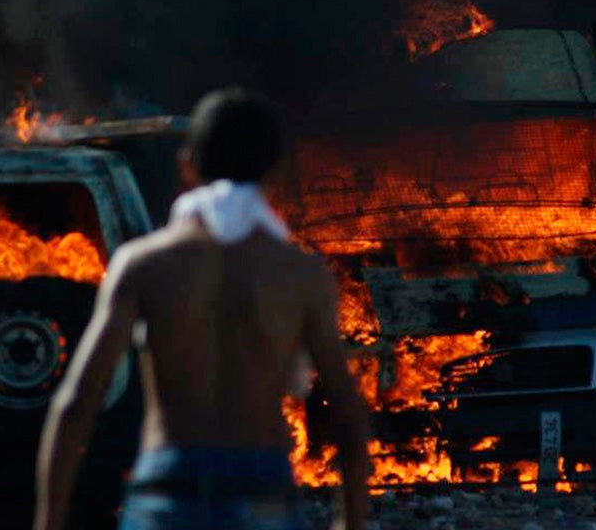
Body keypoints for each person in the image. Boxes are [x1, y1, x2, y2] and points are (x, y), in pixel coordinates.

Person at [35, 89, 369, 530]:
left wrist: (48, 520)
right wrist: (353, 522)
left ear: (187, 164)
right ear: (275, 170)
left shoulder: (143, 264)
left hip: (168, 493)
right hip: (262, 493)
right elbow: (347, 413)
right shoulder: (299, 274)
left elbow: (77, 402)